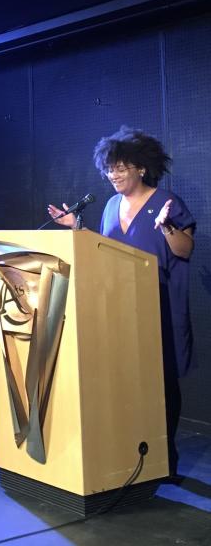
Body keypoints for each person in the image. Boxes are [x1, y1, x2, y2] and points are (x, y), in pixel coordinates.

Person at [48, 126, 195, 476]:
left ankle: (165, 458)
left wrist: (167, 229)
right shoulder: (112, 205)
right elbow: (106, 252)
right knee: (127, 382)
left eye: (120, 167)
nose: (113, 175)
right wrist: (75, 229)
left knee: (162, 384)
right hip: (120, 311)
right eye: (109, 169)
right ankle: (131, 453)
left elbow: (185, 250)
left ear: (141, 167)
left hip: (160, 308)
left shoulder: (167, 202)